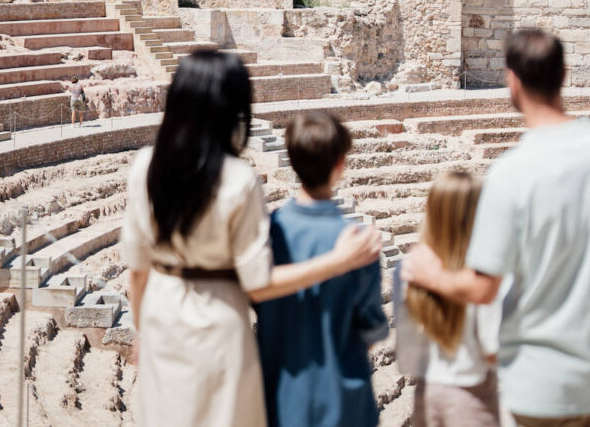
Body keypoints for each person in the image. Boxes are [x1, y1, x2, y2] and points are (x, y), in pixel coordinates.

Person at [121, 52, 382, 427]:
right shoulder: (238, 179)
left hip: (162, 316)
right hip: (219, 320)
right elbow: (258, 284)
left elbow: (138, 272)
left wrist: (141, 331)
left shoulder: (144, 166)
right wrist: (338, 261)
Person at [404, 28, 590, 427]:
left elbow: (483, 288)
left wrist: (435, 276)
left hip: (543, 387)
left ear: (510, 81)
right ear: (564, 74)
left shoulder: (510, 172)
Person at [255, 111, 388, 427]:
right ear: (340, 164)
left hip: (281, 398)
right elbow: (372, 329)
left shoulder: (267, 234)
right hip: (343, 401)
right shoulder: (358, 243)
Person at [394, 170, 501, 427]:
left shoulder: (408, 269)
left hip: (426, 393)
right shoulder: (480, 278)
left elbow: (407, 354)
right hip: (472, 394)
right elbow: (492, 350)